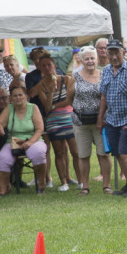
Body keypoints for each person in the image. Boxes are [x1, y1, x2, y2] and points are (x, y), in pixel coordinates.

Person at [97, 40, 127, 197]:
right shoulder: (105, 71)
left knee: (125, 152)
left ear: (123, 53)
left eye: (116, 52)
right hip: (111, 119)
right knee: (117, 153)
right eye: (110, 53)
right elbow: (103, 97)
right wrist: (100, 118)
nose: (113, 56)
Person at [30, 54, 78, 191]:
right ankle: (64, 182)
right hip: (53, 122)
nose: (46, 68)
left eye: (49, 65)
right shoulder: (41, 86)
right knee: (59, 152)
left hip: (69, 118)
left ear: (54, 66)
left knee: (75, 151)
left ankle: (81, 180)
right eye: (43, 66)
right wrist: (50, 92)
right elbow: (46, 107)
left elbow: (69, 100)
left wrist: (52, 107)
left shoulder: (67, 79)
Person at [0, 82, 47, 197]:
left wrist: (30, 142)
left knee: (38, 153)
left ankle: (41, 186)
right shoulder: (9, 108)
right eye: (15, 96)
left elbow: (40, 129)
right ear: (11, 98)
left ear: (26, 96)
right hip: (13, 141)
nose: (18, 98)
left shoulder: (33, 108)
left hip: (34, 140)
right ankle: (3, 189)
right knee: (3, 157)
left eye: (20, 95)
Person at [71, 46, 111, 195]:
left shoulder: (104, 75)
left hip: (101, 122)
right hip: (81, 122)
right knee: (83, 154)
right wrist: (80, 110)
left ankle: (106, 185)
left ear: (96, 59)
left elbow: (106, 96)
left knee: (103, 153)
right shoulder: (75, 77)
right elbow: (70, 97)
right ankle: (85, 186)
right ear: (81, 60)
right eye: (86, 59)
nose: (90, 61)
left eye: (92, 58)